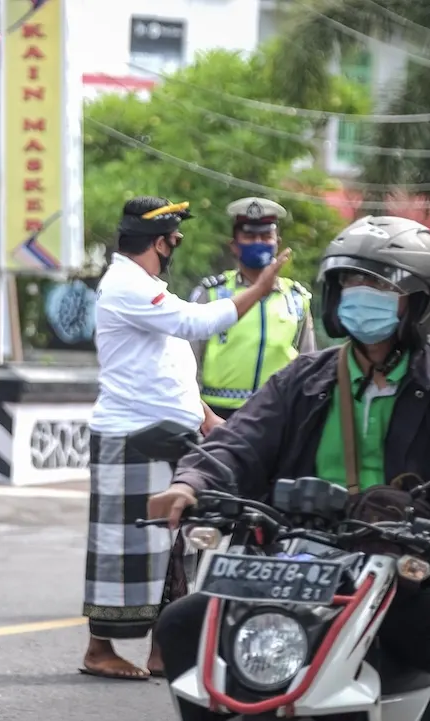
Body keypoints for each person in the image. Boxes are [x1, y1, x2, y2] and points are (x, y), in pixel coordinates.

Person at [148, 215, 430, 721]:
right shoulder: (303, 378)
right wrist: (191, 483)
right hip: (295, 563)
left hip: (404, 572)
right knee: (181, 624)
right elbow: (241, 440)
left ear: (417, 300)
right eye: (350, 282)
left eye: (376, 284)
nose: (360, 294)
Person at [82, 196, 291, 681]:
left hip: (174, 435)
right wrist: (258, 290)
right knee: (124, 548)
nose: (175, 247)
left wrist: (207, 419)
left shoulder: (149, 286)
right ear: (159, 242)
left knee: (180, 548)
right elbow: (196, 323)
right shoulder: (127, 285)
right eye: (173, 240)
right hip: (131, 436)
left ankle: (162, 651)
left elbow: (168, 369)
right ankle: (99, 649)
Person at [189, 197, 316, 420]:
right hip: (218, 416)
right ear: (234, 246)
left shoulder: (296, 298)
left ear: (277, 241)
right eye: (249, 236)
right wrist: (198, 412)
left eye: (266, 236)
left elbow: (309, 365)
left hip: (278, 415)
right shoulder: (211, 294)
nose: (259, 242)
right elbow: (189, 360)